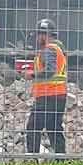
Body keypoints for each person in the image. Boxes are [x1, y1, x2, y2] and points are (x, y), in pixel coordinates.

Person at [25, 18, 67, 155]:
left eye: (39, 34)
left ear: (44, 35)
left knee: (33, 127)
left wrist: (32, 74)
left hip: (47, 96)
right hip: (59, 96)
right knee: (54, 129)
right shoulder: (58, 49)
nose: (37, 38)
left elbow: (50, 70)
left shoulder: (49, 50)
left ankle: (32, 160)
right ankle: (61, 160)